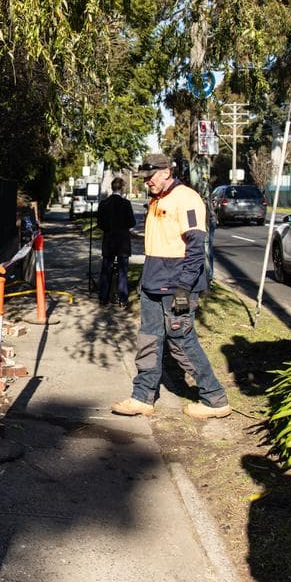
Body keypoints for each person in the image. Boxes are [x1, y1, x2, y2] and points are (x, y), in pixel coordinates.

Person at [110, 153, 231, 419]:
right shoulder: (156, 199)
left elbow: (197, 247)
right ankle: (142, 397)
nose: (147, 182)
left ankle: (214, 399)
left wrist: (184, 288)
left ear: (166, 172)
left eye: (150, 176)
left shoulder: (186, 198)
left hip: (176, 286)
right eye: (144, 178)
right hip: (153, 283)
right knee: (149, 340)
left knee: (181, 341)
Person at [95, 177, 135, 306]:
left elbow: (100, 223)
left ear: (112, 188)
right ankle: (123, 299)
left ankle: (103, 297)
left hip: (109, 241)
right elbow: (132, 222)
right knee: (122, 271)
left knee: (106, 270)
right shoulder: (126, 204)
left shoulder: (104, 204)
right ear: (122, 188)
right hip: (123, 241)